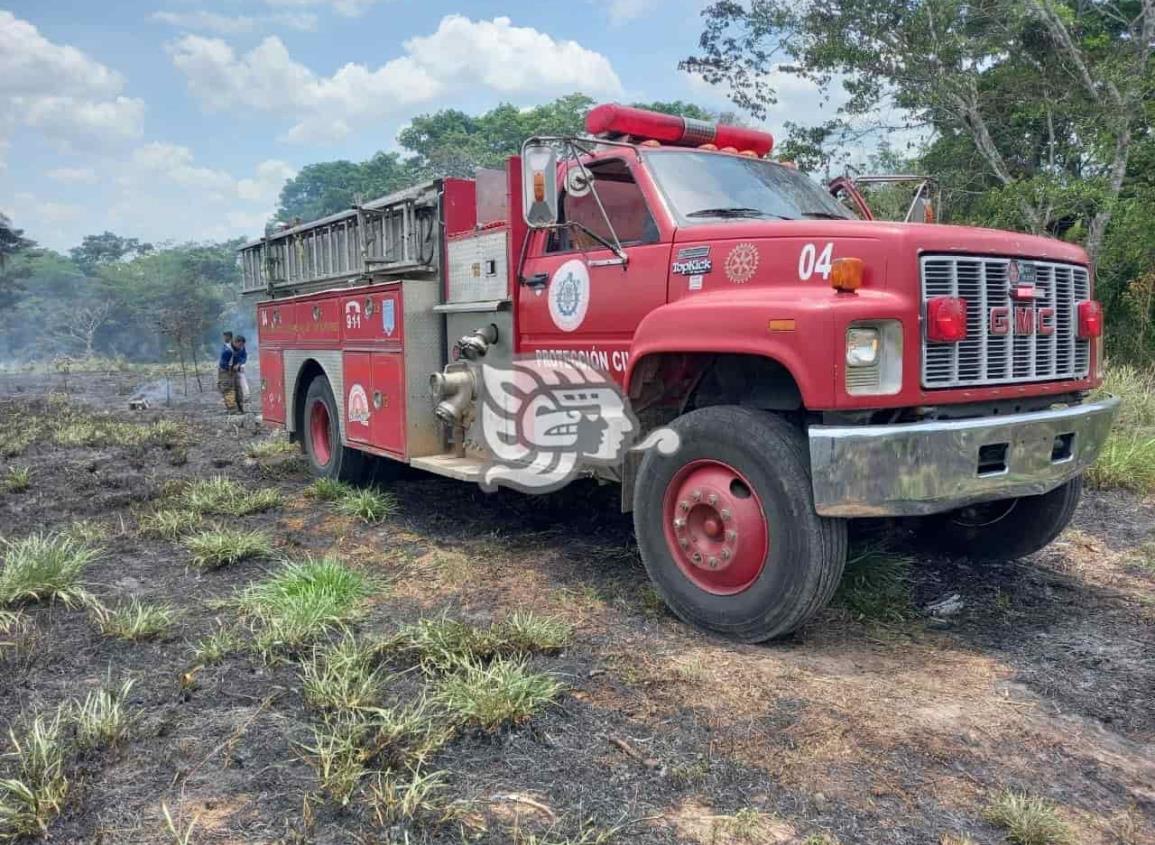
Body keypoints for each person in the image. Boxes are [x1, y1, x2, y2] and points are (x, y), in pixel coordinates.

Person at [218, 332, 239, 413]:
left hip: (227, 371)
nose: (224, 338)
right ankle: (229, 407)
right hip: (222, 370)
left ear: (229, 337)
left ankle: (232, 409)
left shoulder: (231, 348)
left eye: (225, 336)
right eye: (224, 336)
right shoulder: (226, 346)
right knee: (223, 387)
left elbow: (231, 361)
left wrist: (230, 371)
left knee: (228, 388)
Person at [231, 335, 249, 414]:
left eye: (243, 345)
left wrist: (240, 363)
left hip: (238, 369)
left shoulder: (242, 348)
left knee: (240, 388)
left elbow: (244, 357)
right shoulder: (229, 349)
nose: (241, 347)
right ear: (236, 342)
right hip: (229, 371)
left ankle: (242, 405)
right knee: (231, 389)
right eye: (240, 345)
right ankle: (233, 408)